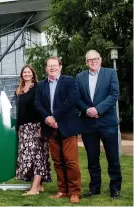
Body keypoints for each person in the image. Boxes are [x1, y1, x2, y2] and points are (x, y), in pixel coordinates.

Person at [35, 56, 82, 204]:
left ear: (60, 67)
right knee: (57, 162)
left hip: (67, 127)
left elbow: (71, 101)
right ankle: (62, 190)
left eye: (55, 65)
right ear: (46, 69)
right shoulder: (41, 85)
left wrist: (54, 117)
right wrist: (48, 118)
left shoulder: (69, 81)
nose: (52, 68)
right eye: (49, 66)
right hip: (50, 129)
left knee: (71, 161)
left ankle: (74, 192)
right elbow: (37, 104)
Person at [76, 50, 122, 199]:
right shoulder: (80, 77)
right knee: (92, 159)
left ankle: (115, 188)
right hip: (88, 124)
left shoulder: (110, 73)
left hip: (107, 123)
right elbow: (76, 97)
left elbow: (114, 94)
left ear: (100, 60)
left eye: (95, 59)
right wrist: (87, 109)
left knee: (113, 158)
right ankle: (94, 188)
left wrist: (98, 109)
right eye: (89, 60)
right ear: (86, 62)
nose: (93, 62)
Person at [15, 64, 51, 196]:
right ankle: (38, 186)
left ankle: (34, 188)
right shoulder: (18, 90)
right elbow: (19, 112)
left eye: (29, 72)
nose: (26, 74)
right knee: (28, 157)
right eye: (24, 72)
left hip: (36, 126)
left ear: (33, 74)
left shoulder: (37, 87)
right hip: (24, 128)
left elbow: (41, 107)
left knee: (38, 156)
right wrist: (18, 127)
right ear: (21, 75)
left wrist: (42, 125)